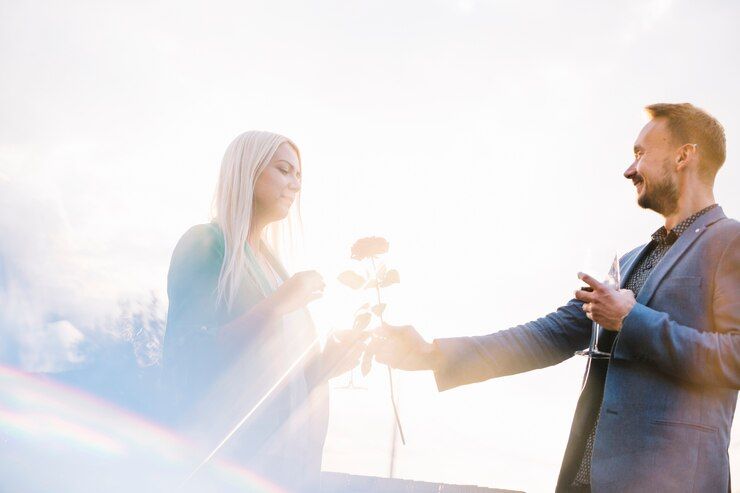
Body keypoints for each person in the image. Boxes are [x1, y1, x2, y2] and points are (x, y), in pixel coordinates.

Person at [369, 103, 739, 492]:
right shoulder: (629, 262)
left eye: (640, 153)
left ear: (684, 155)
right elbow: (550, 334)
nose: (629, 170)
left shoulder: (731, 241)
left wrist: (632, 321)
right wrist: (432, 354)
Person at [161, 131, 363, 491]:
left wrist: (330, 361)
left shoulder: (274, 268)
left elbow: (283, 382)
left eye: (299, 176)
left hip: (285, 471)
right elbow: (189, 354)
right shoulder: (206, 244)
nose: (295, 185)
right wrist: (280, 304)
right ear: (248, 171)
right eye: (284, 170)